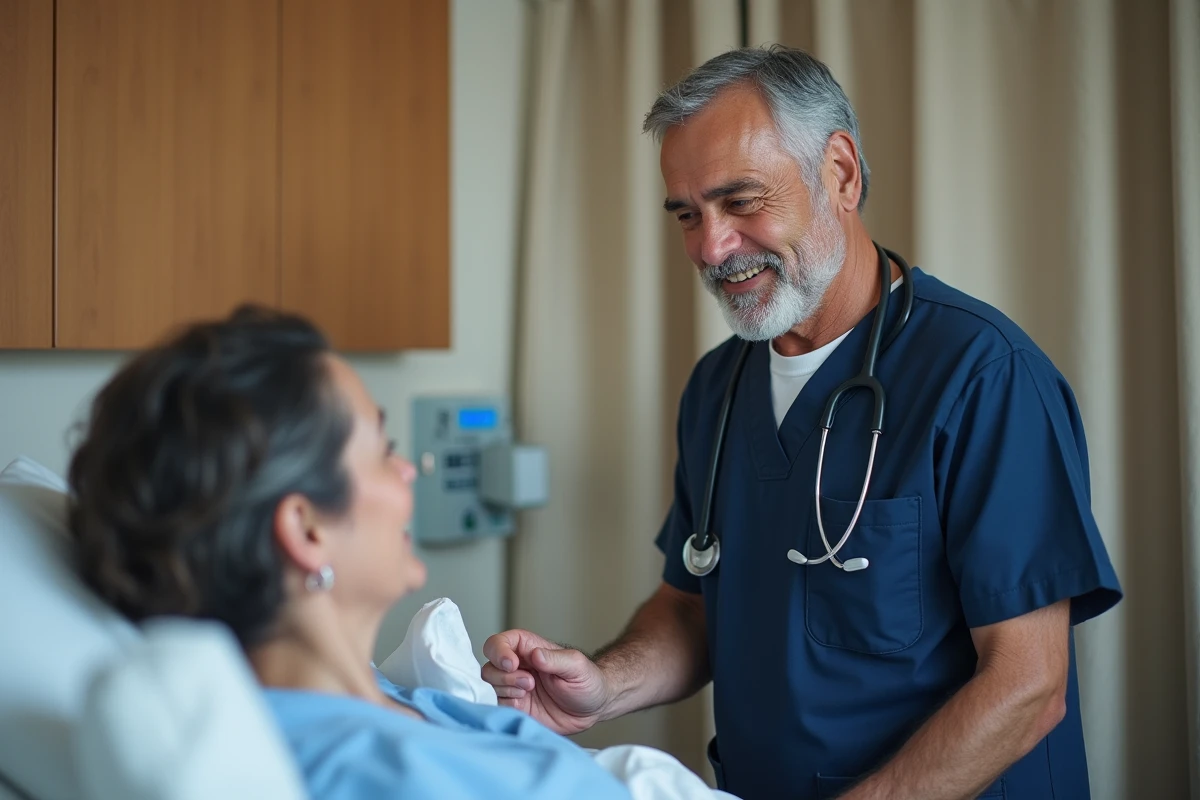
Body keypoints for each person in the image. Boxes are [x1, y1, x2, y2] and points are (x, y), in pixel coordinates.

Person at [482, 45, 1122, 800]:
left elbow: (1028, 683)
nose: (711, 246)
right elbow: (693, 608)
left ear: (841, 174)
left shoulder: (981, 376)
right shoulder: (717, 391)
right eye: (688, 214)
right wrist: (603, 684)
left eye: (742, 201)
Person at [68, 306, 633, 800]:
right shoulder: (371, 772)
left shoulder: (394, 707)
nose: (409, 471)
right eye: (383, 451)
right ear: (307, 529)